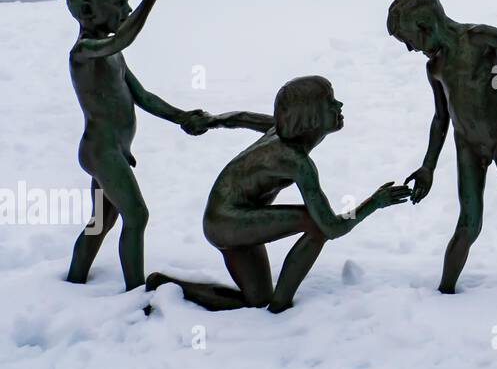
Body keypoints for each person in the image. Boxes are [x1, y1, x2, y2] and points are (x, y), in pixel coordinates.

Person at [145, 76, 410, 312]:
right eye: (330, 101)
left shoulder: (280, 130)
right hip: (227, 221)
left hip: (230, 219)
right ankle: (280, 308)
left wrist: (212, 121)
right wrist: (373, 203)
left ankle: (167, 285)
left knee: (255, 300)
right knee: (316, 224)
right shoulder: (295, 161)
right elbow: (331, 227)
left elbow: (242, 117)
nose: (339, 105)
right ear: (311, 117)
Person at [386, 0, 497, 294]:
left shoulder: (479, 38)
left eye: (409, 40)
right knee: (468, 224)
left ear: (425, 26)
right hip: (468, 147)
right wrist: (428, 167)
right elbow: (440, 119)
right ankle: (445, 292)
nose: (410, 49)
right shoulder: (434, 67)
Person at [65, 0, 210, 291]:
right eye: (119, 5)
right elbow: (122, 41)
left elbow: (143, 96)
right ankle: (135, 291)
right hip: (101, 150)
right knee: (137, 216)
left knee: (101, 221)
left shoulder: (113, 54)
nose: (126, 11)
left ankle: (74, 280)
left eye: (127, 3)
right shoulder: (86, 51)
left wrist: (182, 116)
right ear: (88, 11)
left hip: (115, 150)